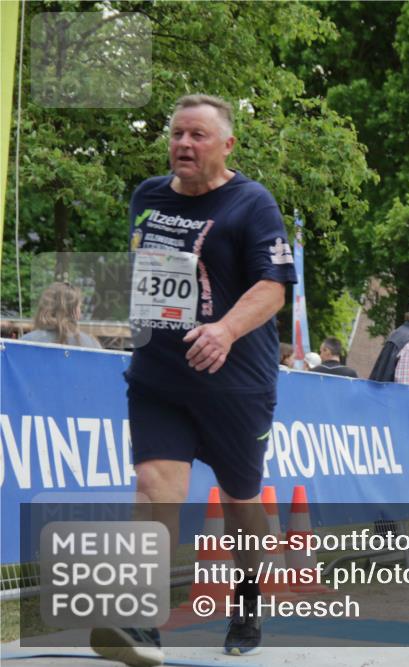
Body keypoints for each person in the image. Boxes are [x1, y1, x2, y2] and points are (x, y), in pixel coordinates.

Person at [91, 94, 297, 666]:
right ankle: (139, 624)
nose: (184, 144)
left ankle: (249, 597)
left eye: (198, 136)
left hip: (236, 383)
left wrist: (225, 330)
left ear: (226, 145)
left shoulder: (252, 204)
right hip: (159, 376)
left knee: (240, 502)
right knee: (155, 487)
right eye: (177, 134)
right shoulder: (148, 196)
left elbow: (274, 286)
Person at [21, 282, 102, 349]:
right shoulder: (92, 345)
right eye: (80, 307)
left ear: (43, 310)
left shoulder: (25, 342)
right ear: (75, 312)